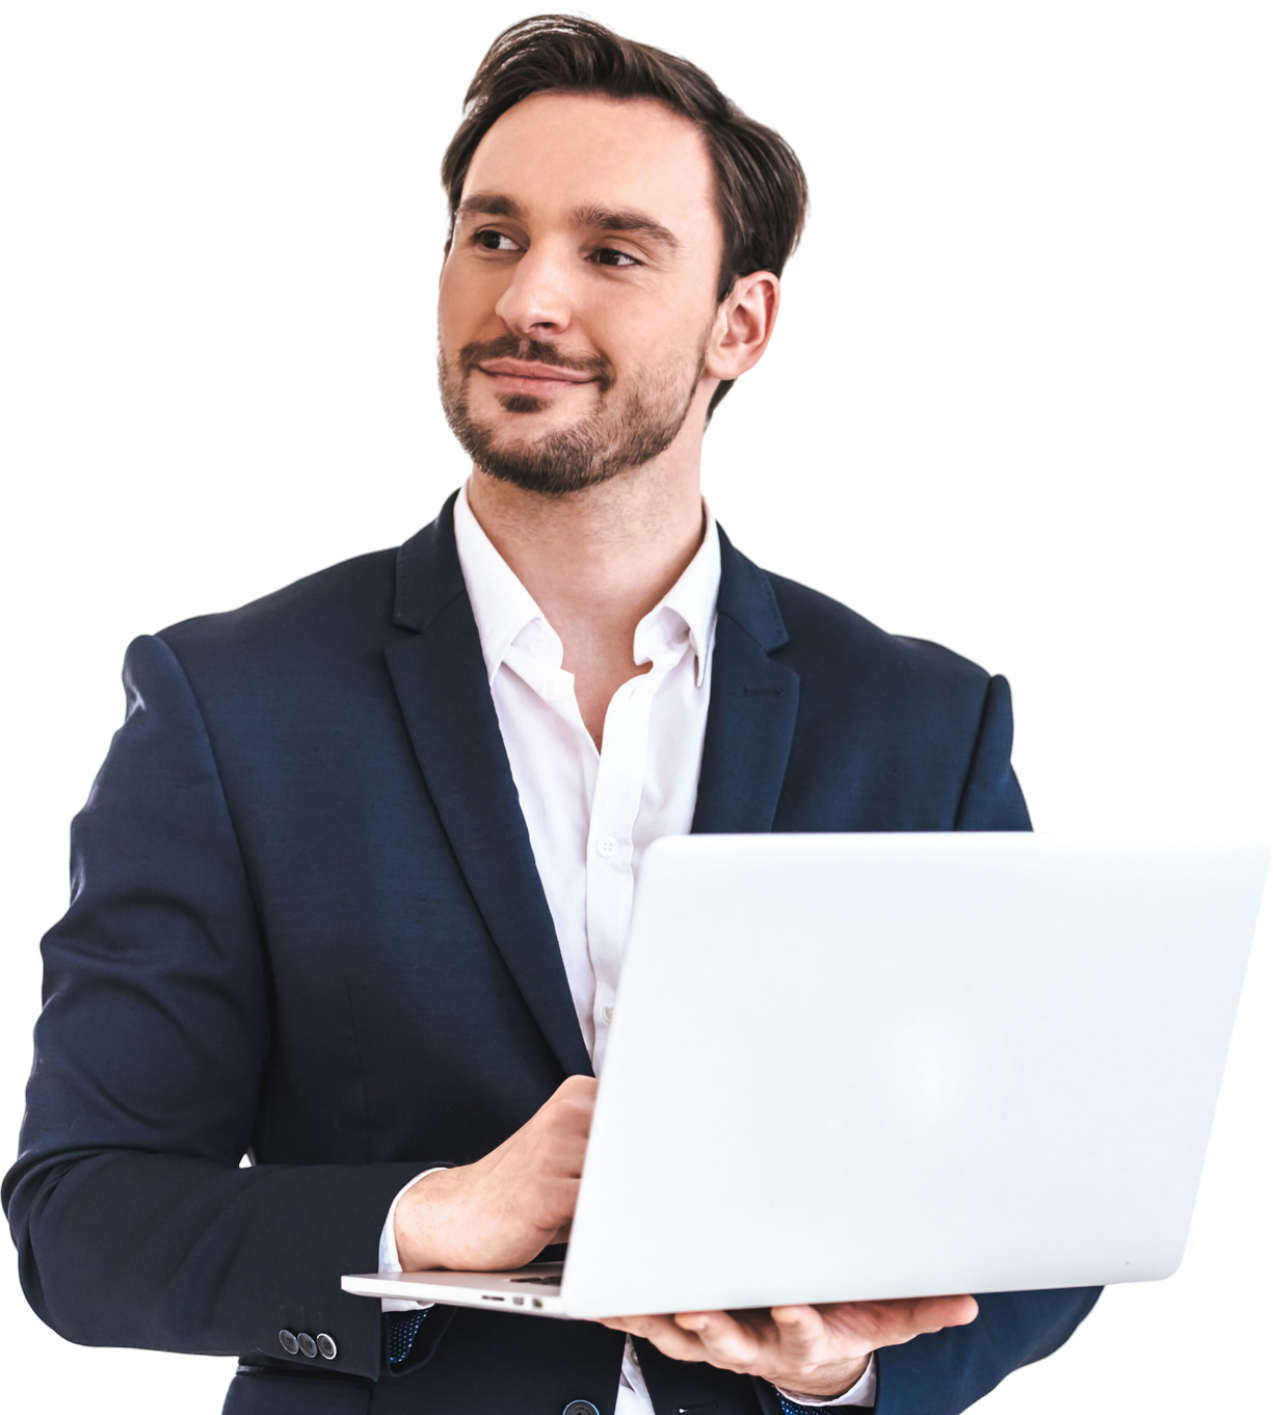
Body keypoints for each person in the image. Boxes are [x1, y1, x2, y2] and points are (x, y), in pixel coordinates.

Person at [4, 12, 1103, 1414]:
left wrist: (853, 1365)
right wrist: (419, 1218)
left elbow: (1043, 1194)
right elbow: (82, 1213)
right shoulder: (228, 701)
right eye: (494, 235)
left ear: (742, 324)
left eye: (614, 251)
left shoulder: (925, 720)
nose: (531, 300)